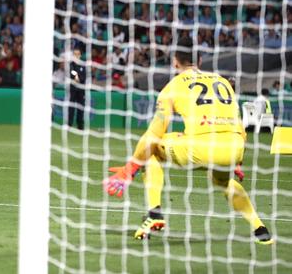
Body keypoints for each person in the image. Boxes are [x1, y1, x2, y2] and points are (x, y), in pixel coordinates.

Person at [103, 37, 273, 244]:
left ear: (175, 62)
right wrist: (237, 161)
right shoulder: (223, 82)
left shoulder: (172, 88)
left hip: (201, 148)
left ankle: (154, 214)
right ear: (200, 60)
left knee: (153, 149)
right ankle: (260, 230)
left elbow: (153, 134)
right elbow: (238, 124)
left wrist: (130, 168)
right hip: (233, 146)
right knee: (222, 180)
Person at [68, 48, 86, 129]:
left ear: (80, 55)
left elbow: (84, 76)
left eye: (77, 54)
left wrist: (79, 78)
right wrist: (75, 75)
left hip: (81, 90)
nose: (76, 55)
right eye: (74, 54)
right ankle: (69, 124)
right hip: (73, 89)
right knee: (71, 107)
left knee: (81, 108)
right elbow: (71, 72)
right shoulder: (71, 64)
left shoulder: (83, 65)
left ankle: (80, 125)